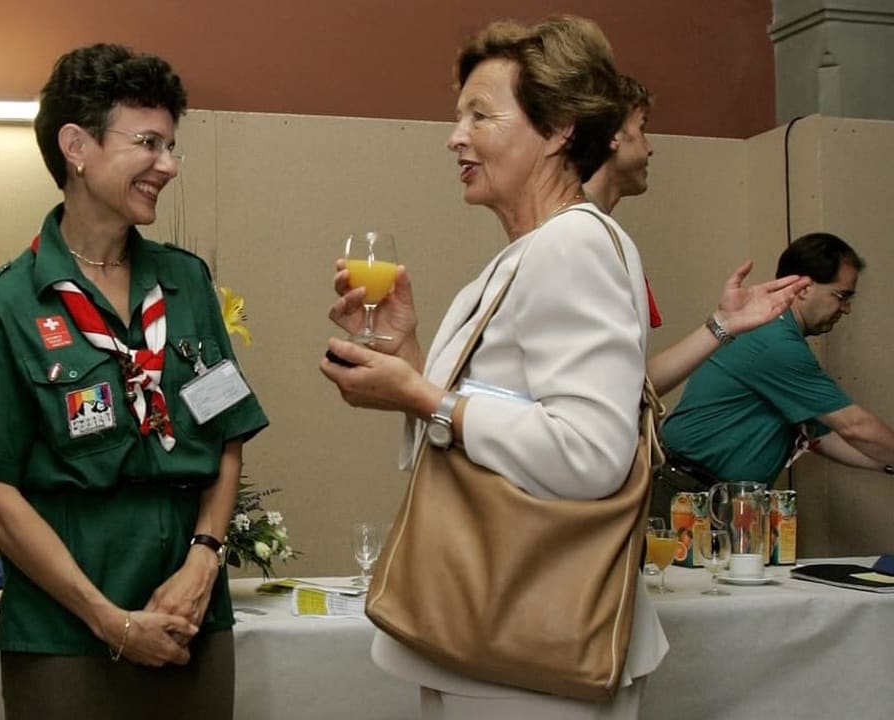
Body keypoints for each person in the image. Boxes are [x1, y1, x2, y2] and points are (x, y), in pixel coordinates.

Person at [320, 15, 670, 719]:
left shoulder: (570, 246)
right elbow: (501, 408)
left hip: (530, 645)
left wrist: (424, 398)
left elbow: (592, 452)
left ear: (560, 127)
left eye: (481, 115)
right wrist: (410, 356)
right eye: (458, 117)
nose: (455, 137)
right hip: (498, 643)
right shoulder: (530, 252)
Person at [0, 44, 267, 719]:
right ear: (76, 146)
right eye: (148, 142)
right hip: (66, 633)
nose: (168, 165)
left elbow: (227, 432)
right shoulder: (6, 304)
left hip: (190, 616)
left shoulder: (187, 282)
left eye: (173, 145)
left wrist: (204, 563)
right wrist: (110, 620)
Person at [585, 74, 810, 398]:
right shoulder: (578, 237)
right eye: (643, 127)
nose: (650, 149)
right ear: (613, 135)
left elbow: (627, 390)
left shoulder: (603, 233)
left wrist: (724, 323)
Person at [654, 232, 894, 519]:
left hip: (714, 498)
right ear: (803, 287)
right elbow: (853, 426)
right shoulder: (776, 343)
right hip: (690, 496)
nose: (846, 308)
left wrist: (886, 463)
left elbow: (821, 436)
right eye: (840, 296)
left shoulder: (779, 337)